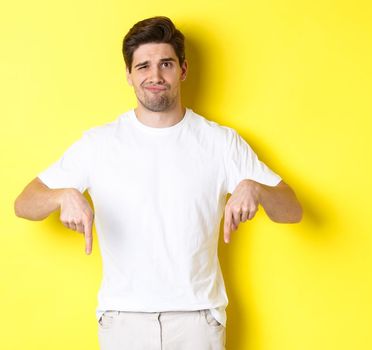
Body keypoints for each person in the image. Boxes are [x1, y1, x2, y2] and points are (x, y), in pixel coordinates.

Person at [13, 16, 303, 350]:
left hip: (198, 320)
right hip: (123, 320)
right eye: (143, 66)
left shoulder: (221, 143)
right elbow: (24, 203)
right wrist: (61, 196)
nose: (155, 76)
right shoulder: (98, 144)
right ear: (128, 75)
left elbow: (291, 210)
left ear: (183, 69)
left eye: (165, 63)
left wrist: (257, 188)